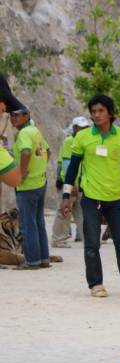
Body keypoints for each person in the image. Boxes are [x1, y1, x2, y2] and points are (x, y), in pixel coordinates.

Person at [62, 94, 120, 298]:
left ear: (110, 113)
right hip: (90, 197)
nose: (96, 115)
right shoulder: (82, 137)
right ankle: (96, 284)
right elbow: (73, 168)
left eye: (100, 111)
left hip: (116, 197)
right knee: (92, 243)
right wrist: (66, 195)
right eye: (93, 111)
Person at [10, 106, 51, 269]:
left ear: (27, 116)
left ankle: (32, 261)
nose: (13, 118)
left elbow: (26, 153)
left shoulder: (24, 134)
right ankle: (44, 259)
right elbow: (47, 152)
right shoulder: (35, 131)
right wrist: (39, 168)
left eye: (17, 115)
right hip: (40, 182)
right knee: (39, 222)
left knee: (28, 224)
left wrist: (22, 172)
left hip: (27, 186)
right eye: (11, 115)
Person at [51, 117, 91, 248]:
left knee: (80, 212)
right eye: (81, 127)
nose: (84, 130)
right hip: (70, 183)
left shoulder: (82, 141)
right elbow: (68, 164)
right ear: (74, 128)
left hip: (78, 184)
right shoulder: (70, 141)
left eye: (86, 128)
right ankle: (57, 239)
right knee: (64, 210)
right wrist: (72, 184)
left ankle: (89, 238)